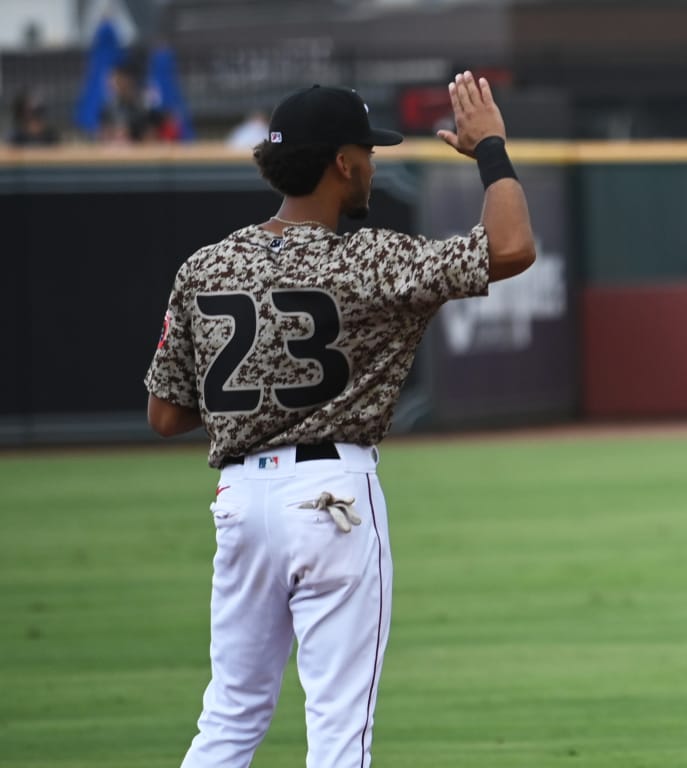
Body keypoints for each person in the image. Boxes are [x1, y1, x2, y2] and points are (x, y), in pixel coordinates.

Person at [143, 71, 536, 767]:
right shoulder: (369, 258)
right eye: (368, 153)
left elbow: (166, 415)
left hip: (239, 503)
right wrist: (492, 149)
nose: (373, 166)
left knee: (231, 714)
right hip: (331, 497)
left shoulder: (205, 266)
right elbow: (510, 247)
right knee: (339, 728)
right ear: (342, 164)